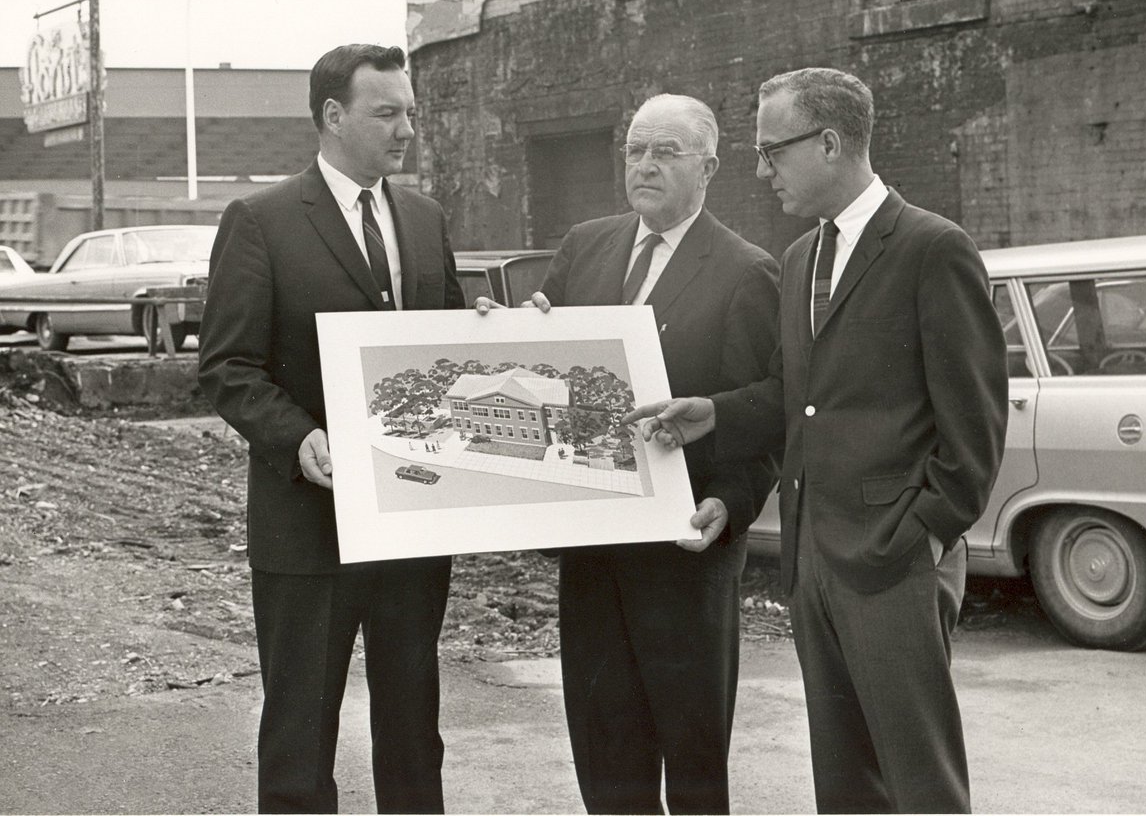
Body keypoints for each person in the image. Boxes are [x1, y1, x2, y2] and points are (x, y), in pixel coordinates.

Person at [628, 68, 1008, 813]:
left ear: (830, 144)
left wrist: (924, 536)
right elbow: (794, 395)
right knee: (845, 785)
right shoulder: (802, 257)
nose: (761, 170)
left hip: (895, 561)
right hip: (815, 561)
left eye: (773, 151)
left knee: (921, 783)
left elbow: (976, 424)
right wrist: (715, 412)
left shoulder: (932, 247)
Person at [479, 93, 780, 814]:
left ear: (708, 167)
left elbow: (765, 410)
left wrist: (731, 503)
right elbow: (543, 361)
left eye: (665, 152)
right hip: (592, 545)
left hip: (684, 552)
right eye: (635, 150)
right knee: (605, 748)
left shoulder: (747, 270)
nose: (645, 165)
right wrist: (507, 332)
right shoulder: (586, 244)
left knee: (693, 752)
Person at [198, 44, 465, 814]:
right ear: (333, 116)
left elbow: (446, 349)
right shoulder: (261, 221)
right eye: (388, 113)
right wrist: (297, 438)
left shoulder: (425, 219)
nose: (407, 129)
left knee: (413, 730)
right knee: (300, 736)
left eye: (411, 113)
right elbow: (227, 366)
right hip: (308, 527)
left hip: (410, 520)